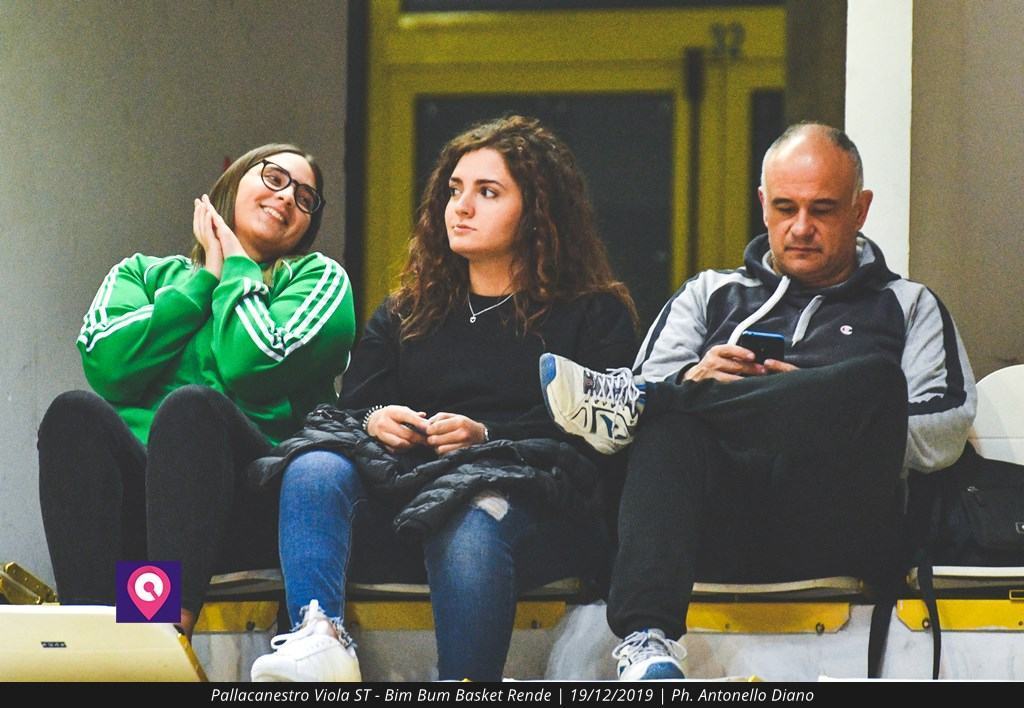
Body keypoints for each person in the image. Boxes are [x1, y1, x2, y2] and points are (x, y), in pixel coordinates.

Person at [540, 122, 977, 680]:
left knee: (872, 383)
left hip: (840, 525)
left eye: (823, 209)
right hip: (717, 523)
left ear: (860, 210)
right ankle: (648, 642)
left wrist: (810, 407)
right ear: (763, 205)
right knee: (666, 423)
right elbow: (641, 433)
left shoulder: (908, 304)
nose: (802, 227)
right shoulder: (708, 293)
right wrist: (697, 376)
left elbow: (944, 432)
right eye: (785, 208)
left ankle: (665, 400)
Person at [249, 115, 637, 682]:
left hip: (529, 504)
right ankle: (319, 637)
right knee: (314, 465)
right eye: (455, 190)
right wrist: (377, 419)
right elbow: (347, 412)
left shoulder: (593, 312)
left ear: (538, 211)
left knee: (472, 512)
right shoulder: (408, 309)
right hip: (409, 492)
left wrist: (489, 437)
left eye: (488, 192)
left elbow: (604, 437)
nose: (462, 207)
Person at [38, 143, 356, 639]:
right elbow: (107, 365)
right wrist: (203, 280)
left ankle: (163, 632)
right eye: (274, 178)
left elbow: (252, 364)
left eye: (305, 197)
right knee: (73, 414)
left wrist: (237, 270)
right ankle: (94, 636)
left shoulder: (317, 279)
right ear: (233, 183)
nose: (287, 197)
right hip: (144, 510)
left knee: (190, 409)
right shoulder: (143, 273)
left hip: (247, 506)